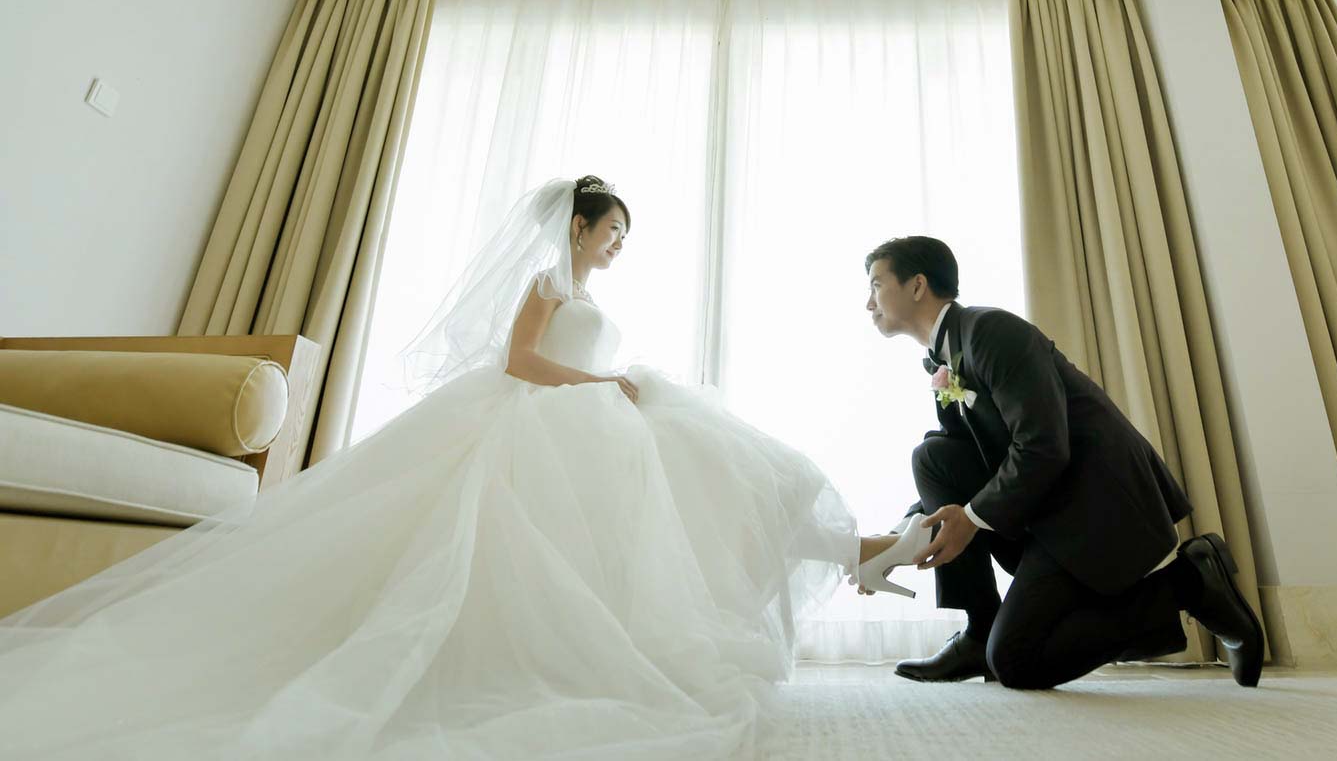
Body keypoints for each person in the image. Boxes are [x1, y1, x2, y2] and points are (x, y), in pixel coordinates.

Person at [0, 177, 916, 759]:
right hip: (546, 418)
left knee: (704, 461)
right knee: (677, 466)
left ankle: (849, 545)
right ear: (578, 224)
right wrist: (603, 383)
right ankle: (855, 549)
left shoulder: (582, 290)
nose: (616, 245)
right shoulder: (548, 282)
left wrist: (615, 389)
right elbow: (520, 359)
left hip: (588, 420)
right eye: (612, 230)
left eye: (622, 237)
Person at [862, 235, 1265, 689]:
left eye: (876, 285)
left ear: (917, 286)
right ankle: (980, 631)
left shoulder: (990, 332)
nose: (868, 303)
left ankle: (1189, 582)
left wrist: (971, 518)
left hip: (1094, 505)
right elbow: (959, 461)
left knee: (1016, 661)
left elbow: (1042, 445)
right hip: (1045, 506)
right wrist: (898, 541)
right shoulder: (945, 354)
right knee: (933, 456)